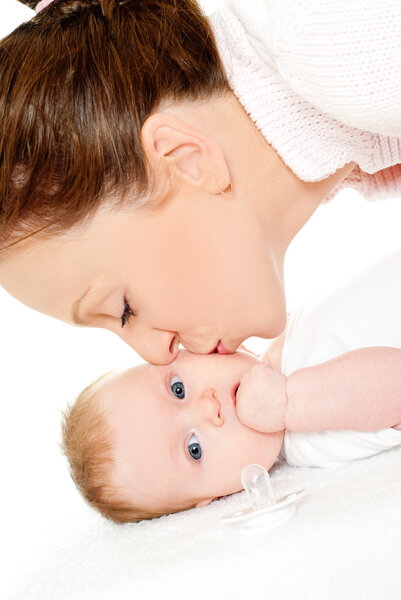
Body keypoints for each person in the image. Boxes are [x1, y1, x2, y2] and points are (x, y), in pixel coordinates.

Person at [1, 0, 400, 365]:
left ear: (186, 160)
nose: (157, 354)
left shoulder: (346, 42)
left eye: (124, 309)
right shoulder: (346, 146)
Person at [61, 251, 401, 523]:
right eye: (194, 448)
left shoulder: (278, 343)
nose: (210, 407)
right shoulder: (309, 436)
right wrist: (289, 403)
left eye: (178, 389)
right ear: (224, 495)